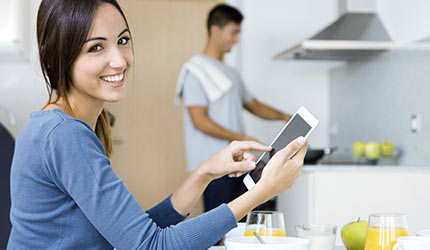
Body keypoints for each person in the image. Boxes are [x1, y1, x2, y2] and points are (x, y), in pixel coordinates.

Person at [7, 0, 308, 249]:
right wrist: (261, 192)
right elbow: (150, 246)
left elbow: (133, 234)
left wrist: (205, 172)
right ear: (54, 55)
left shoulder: (63, 128)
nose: (120, 61)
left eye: (122, 41)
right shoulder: (64, 135)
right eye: (96, 48)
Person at [175, 4, 293, 213]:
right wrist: (241, 137)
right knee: (216, 230)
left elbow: (253, 105)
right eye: (234, 32)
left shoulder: (231, 72)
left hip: (239, 164)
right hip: (215, 167)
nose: (237, 39)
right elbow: (199, 121)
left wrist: (283, 116)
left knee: (241, 226)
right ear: (215, 30)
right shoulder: (196, 71)